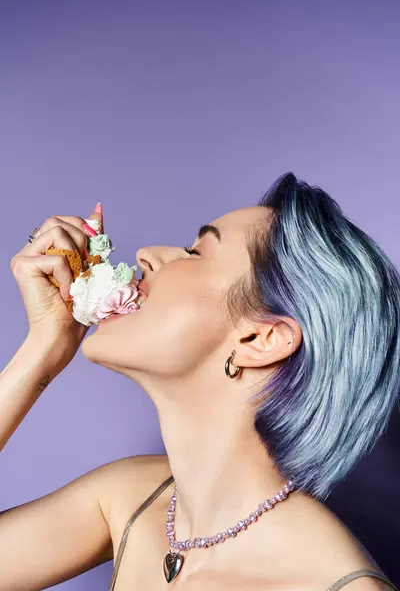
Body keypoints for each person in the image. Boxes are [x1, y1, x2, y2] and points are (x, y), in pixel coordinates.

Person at [0, 172, 399, 591]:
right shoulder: (128, 499)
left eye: (194, 252)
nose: (146, 254)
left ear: (260, 339)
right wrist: (44, 346)